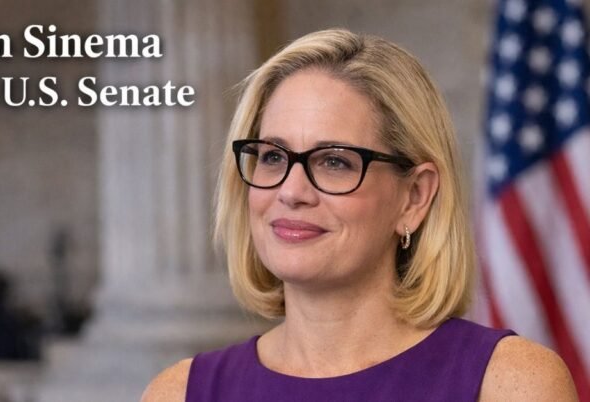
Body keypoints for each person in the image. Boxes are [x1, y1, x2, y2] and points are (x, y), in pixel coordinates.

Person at [141, 28, 578, 401]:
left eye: (334, 161)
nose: (291, 191)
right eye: (272, 156)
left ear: (414, 197)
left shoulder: (511, 383)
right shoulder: (179, 392)